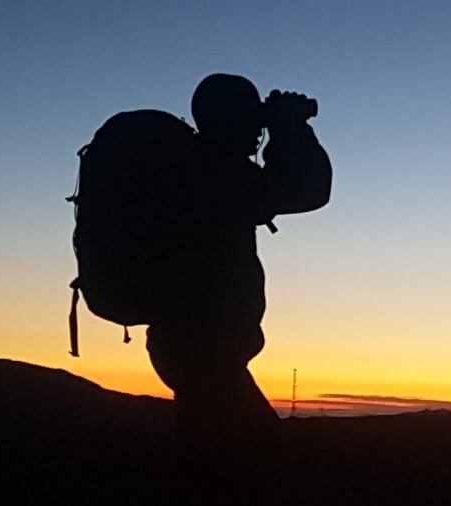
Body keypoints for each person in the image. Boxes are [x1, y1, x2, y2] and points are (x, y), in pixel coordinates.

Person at [144, 73, 331, 496]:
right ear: (233, 120)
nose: (258, 130)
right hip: (205, 355)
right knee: (252, 466)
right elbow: (309, 189)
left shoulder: (191, 170)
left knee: (210, 464)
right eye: (253, 120)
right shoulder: (215, 174)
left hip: (188, 349)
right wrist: (292, 128)